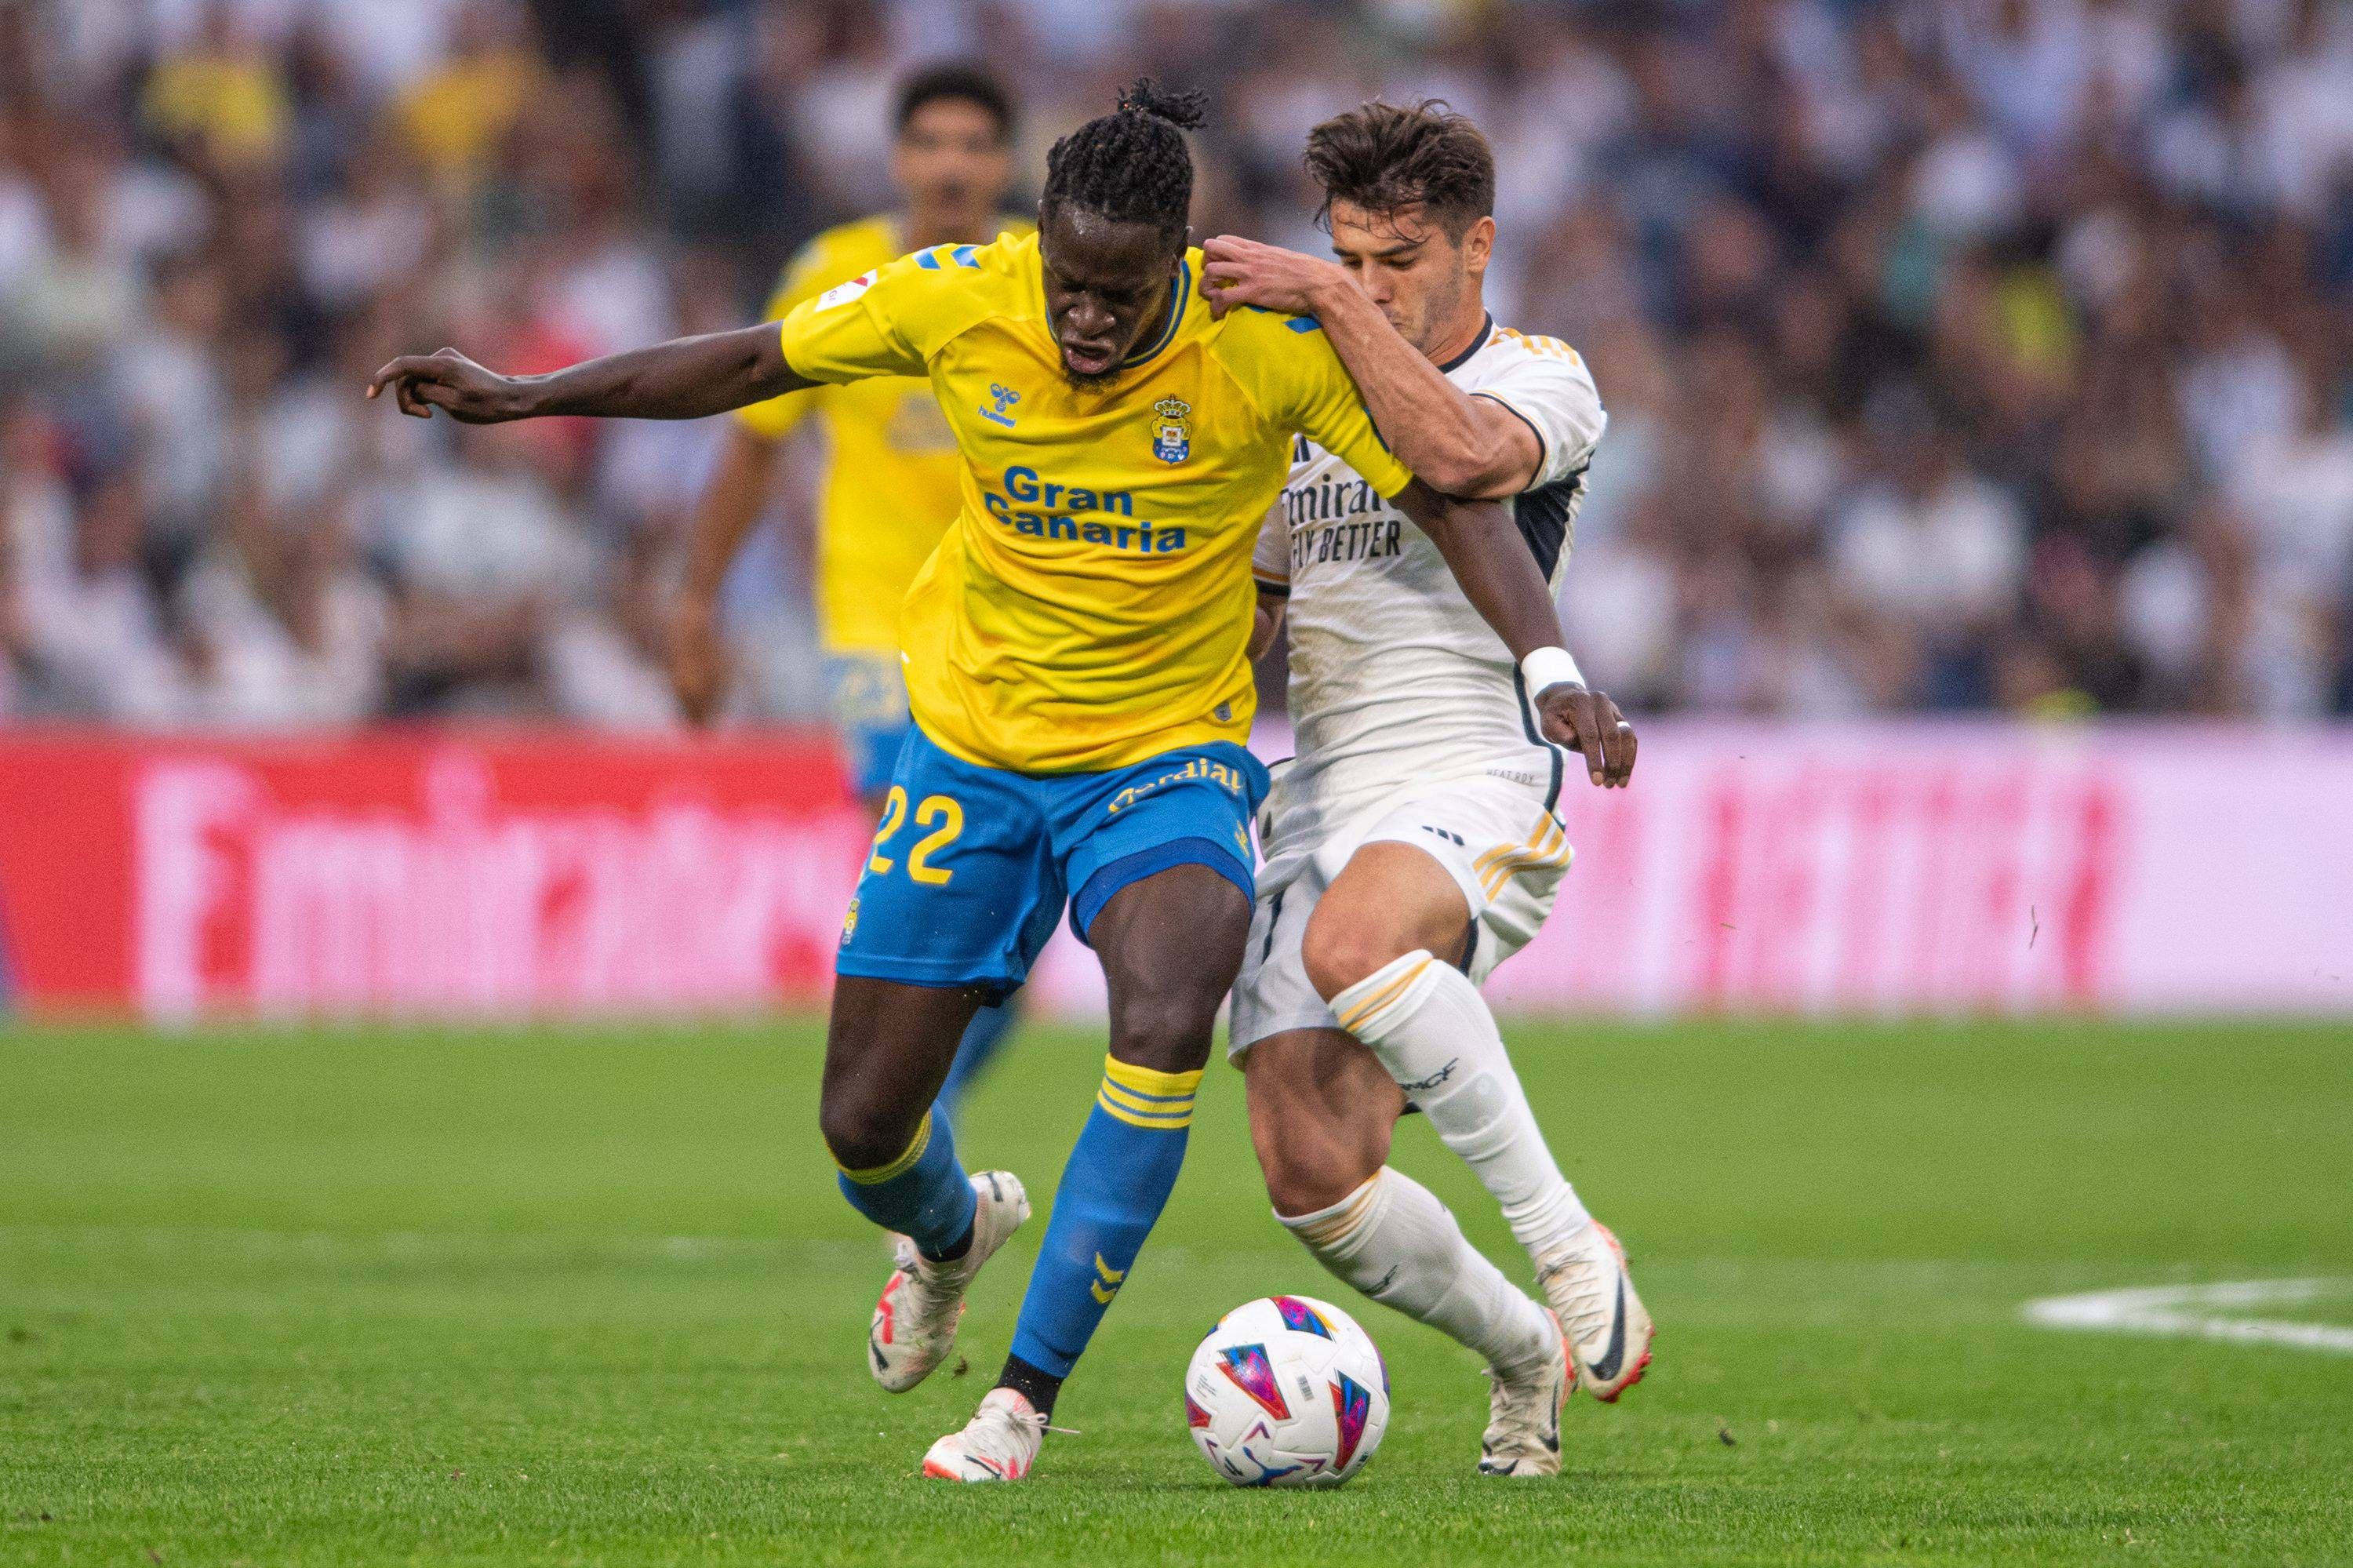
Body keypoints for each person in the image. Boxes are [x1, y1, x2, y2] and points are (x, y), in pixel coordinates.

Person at [366, 80, 1627, 1485]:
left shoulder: (1267, 347)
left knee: (1171, 1005)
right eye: (1067, 285)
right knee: (863, 1128)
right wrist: (530, 393)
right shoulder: (960, 296)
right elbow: (757, 363)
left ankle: (1021, 1403)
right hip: (972, 747)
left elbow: (1451, 494)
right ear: (1038, 245)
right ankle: (953, 1231)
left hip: (1163, 756)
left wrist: (1547, 666)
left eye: (1121, 296)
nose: (1085, 319)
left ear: (1178, 266)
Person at [1201, 99, 1652, 1478]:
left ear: (1478, 246)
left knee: (1358, 947)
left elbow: (1459, 462)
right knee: (1311, 1175)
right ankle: (1525, 1351)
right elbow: (1260, 610)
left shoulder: (1542, 376)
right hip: (1321, 790)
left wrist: (1330, 305)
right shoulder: (1305, 394)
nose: (1372, 283)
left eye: (1398, 260)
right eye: (1349, 255)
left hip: (1470, 766)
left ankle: (1569, 1243)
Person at [672, 63, 1031, 1128]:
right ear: (898, 158)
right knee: (926, 864)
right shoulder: (833, 272)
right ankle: (911, 1127)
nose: (952, 166)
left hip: (1017, 627)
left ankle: (918, 1106)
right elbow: (753, 445)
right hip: (878, 622)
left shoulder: (1041, 273)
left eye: (974, 145)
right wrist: (695, 608)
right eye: (932, 143)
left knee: (1018, 911)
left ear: (1005, 164)